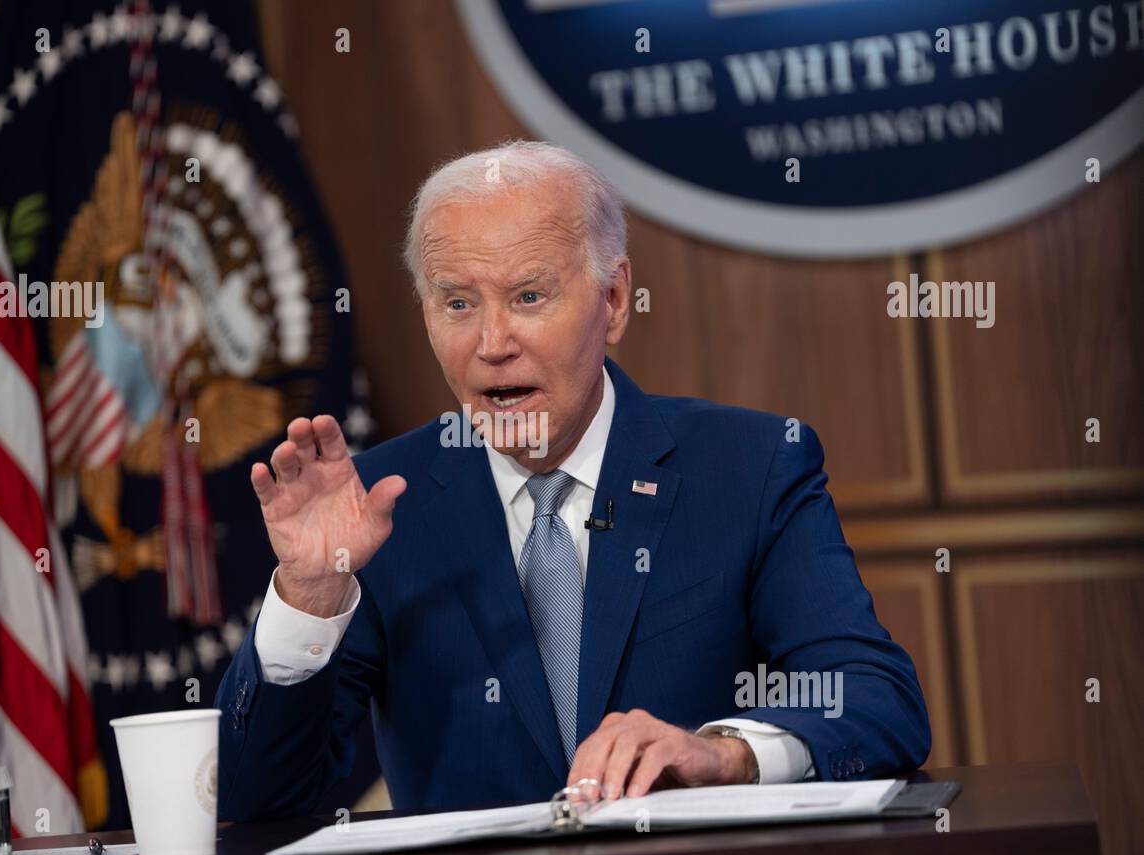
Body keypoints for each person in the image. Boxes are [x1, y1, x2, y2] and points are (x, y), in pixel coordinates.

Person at [215, 140, 930, 819]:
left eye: (529, 297)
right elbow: (259, 805)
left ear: (614, 299)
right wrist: (310, 597)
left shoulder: (750, 467)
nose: (492, 345)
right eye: (458, 303)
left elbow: (875, 701)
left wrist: (726, 755)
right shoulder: (373, 509)